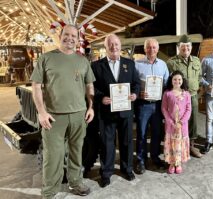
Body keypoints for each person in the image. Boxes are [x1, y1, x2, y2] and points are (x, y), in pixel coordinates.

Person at [31, 24, 95, 199]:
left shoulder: (83, 61)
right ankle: (49, 192)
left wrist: (91, 107)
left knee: (76, 151)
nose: (70, 38)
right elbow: (36, 87)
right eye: (67, 34)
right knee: (53, 156)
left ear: (78, 39)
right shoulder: (46, 58)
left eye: (74, 36)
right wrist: (41, 112)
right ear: (60, 36)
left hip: (79, 115)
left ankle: (75, 183)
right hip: (54, 117)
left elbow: (89, 86)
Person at [92, 34, 140, 187]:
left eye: (116, 44)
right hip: (106, 112)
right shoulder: (96, 66)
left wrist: (135, 94)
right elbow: (92, 87)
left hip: (125, 111)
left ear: (121, 46)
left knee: (126, 141)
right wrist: (101, 98)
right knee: (107, 143)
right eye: (110, 44)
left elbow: (136, 83)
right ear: (105, 47)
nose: (114, 47)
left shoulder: (130, 64)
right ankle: (106, 173)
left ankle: (127, 169)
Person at [134, 38, 169, 174]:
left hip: (158, 105)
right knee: (141, 133)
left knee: (156, 132)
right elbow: (133, 84)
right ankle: (141, 160)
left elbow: (167, 84)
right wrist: (138, 93)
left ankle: (154, 157)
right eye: (149, 47)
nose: (151, 50)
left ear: (158, 49)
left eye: (154, 47)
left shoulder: (163, 65)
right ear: (144, 49)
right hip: (143, 105)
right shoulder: (137, 64)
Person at [167, 34, 202, 158]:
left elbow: (199, 78)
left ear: (191, 47)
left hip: (192, 96)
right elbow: (168, 80)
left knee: (193, 121)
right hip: (179, 98)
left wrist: (203, 89)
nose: (185, 48)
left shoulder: (197, 61)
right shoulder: (171, 62)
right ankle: (177, 145)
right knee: (178, 120)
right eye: (183, 46)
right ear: (178, 47)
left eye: (188, 46)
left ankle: (191, 145)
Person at [162, 70, 191, 174]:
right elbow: (164, 109)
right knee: (172, 144)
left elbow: (188, 110)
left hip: (182, 127)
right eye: (175, 79)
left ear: (182, 81)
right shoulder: (167, 93)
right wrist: (170, 121)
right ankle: (172, 162)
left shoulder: (186, 94)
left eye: (179, 79)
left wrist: (181, 122)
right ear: (171, 80)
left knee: (179, 144)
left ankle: (178, 163)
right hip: (171, 126)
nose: (177, 81)